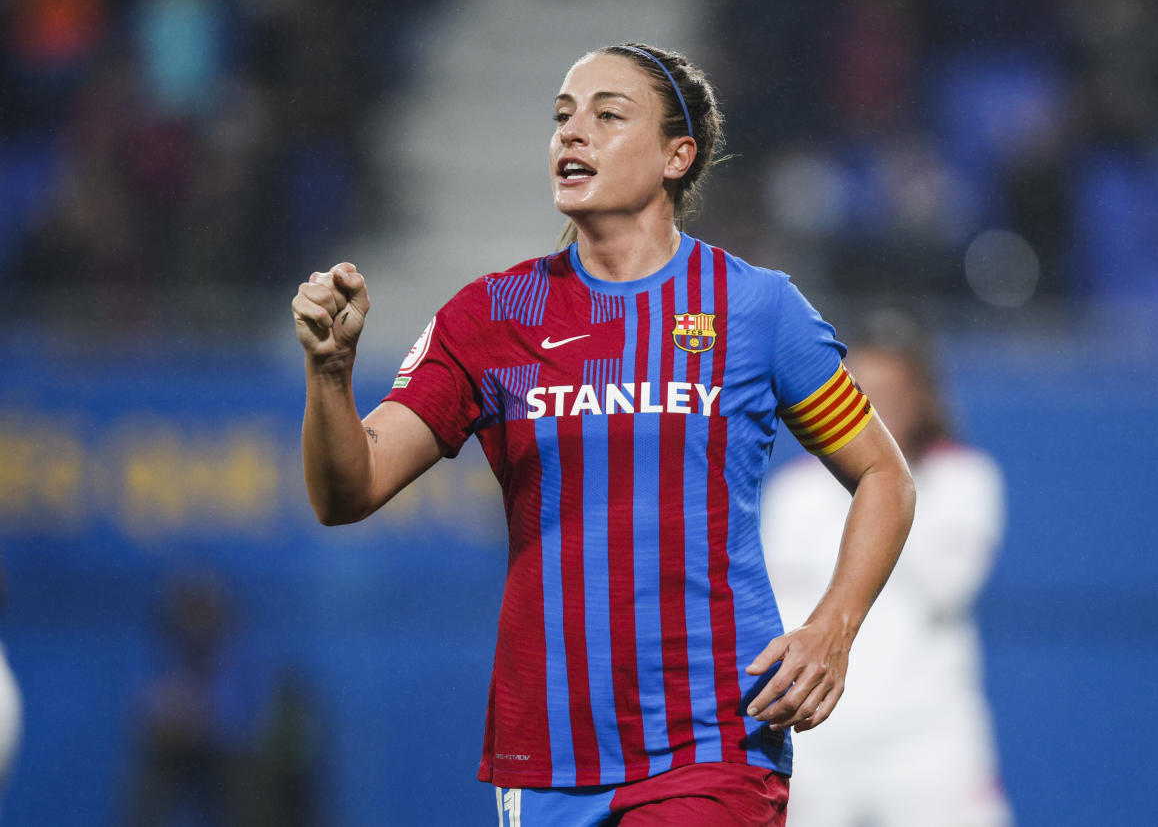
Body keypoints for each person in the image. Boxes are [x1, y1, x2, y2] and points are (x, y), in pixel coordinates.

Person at [291, 43, 915, 826]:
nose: (571, 134)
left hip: (711, 741)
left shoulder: (754, 309)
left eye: (607, 116)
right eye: (562, 117)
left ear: (675, 156)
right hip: (545, 752)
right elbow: (349, 491)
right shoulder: (491, 317)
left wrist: (834, 625)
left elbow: (885, 477)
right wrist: (329, 374)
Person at [761, 313, 1012, 827]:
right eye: (861, 391)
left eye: (891, 392)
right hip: (819, 738)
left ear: (922, 396)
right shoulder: (792, 492)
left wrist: (881, 477)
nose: (876, 407)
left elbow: (949, 584)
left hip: (926, 741)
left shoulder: (965, 478)